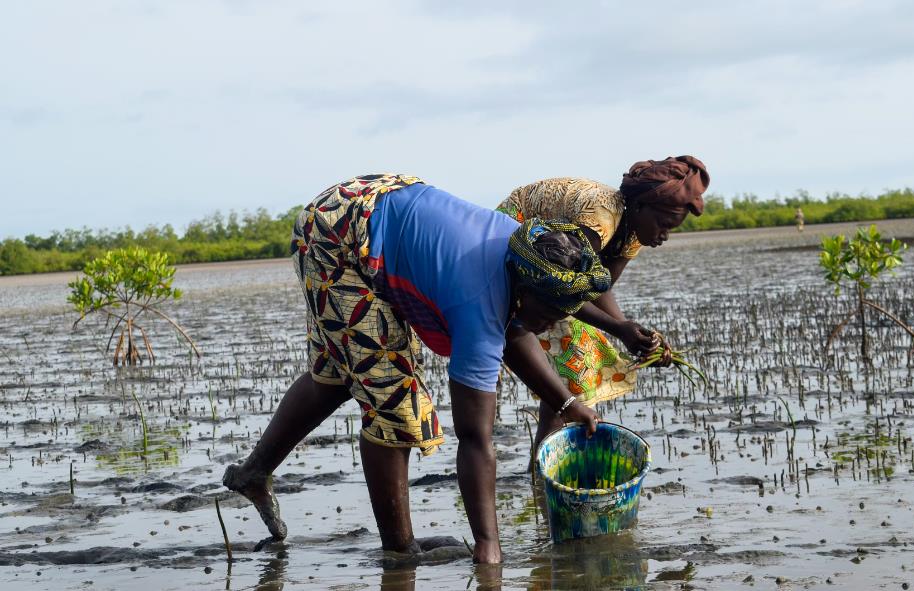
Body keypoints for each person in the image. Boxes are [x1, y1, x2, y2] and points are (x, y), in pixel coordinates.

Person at [223, 173, 611, 564]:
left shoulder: (527, 250)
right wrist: (488, 544)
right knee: (394, 402)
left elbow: (516, 327)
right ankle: (399, 549)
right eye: (547, 315)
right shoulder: (478, 302)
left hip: (370, 201)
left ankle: (253, 474)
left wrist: (565, 404)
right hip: (337, 239)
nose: (550, 325)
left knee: (339, 377)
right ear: (525, 292)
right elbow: (475, 438)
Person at [496, 156, 710, 449]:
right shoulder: (600, 218)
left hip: (560, 272)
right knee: (574, 361)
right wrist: (620, 330)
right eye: (663, 224)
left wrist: (630, 332)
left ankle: (544, 472)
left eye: (670, 229)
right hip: (515, 236)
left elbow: (597, 287)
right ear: (639, 207)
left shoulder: (632, 232)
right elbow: (567, 290)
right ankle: (544, 467)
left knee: (571, 368)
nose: (665, 235)